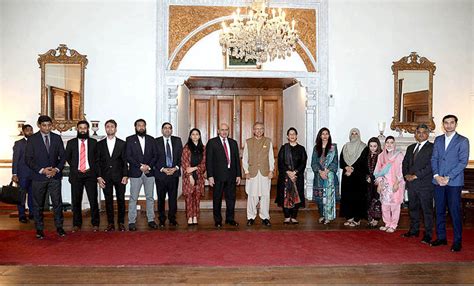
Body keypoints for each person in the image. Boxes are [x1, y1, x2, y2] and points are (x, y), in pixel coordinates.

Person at [430, 115, 469, 252]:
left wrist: (448, 177)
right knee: (439, 210)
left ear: (456, 124)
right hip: (438, 181)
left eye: (452, 123)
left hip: (454, 182)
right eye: (446, 123)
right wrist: (436, 176)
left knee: (454, 212)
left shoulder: (463, 141)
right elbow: (434, 158)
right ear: (443, 125)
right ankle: (441, 238)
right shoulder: (438, 139)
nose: (449, 125)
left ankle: (457, 241)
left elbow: (463, 162)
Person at [25, 115, 66, 239]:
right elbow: (28, 159)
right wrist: (42, 170)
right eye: (44, 125)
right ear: (39, 125)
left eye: (49, 125)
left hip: (54, 176)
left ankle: (59, 227)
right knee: (38, 204)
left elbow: (63, 157)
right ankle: (39, 229)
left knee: (57, 203)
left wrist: (56, 169)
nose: (47, 128)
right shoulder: (32, 139)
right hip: (38, 177)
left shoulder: (57, 138)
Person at [401, 124, 434, 244]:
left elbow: (431, 166)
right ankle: (414, 230)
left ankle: (428, 235)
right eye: (418, 132)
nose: (420, 134)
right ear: (415, 134)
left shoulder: (432, 147)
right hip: (412, 185)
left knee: (427, 211)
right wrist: (406, 175)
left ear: (428, 134)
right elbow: (404, 164)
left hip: (425, 184)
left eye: (423, 132)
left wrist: (416, 175)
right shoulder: (410, 148)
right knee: (412, 209)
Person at [65, 120, 100, 232]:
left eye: (85, 128)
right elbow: (68, 158)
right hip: (76, 175)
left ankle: (95, 223)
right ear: (77, 129)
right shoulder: (71, 143)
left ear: (88, 129)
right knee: (76, 201)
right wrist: (77, 168)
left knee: (93, 200)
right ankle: (76, 224)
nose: (83, 130)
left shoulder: (94, 142)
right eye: (81, 127)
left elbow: (97, 159)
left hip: (90, 175)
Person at [206, 123, 241, 228]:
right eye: (222, 130)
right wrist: (210, 176)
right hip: (217, 176)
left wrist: (238, 175)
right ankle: (217, 220)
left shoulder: (233, 143)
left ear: (229, 131)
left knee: (231, 198)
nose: (224, 132)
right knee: (217, 199)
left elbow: (236, 160)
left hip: (231, 175)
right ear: (218, 131)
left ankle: (230, 219)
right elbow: (209, 160)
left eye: (226, 130)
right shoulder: (212, 143)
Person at [126, 119, 158, 231]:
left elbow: (155, 155)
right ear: (135, 127)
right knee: (133, 198)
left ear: (145, 127)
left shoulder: (151, 139)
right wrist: (140, 166)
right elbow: (128, 156)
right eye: (139, 125)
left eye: (143, 125)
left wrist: (148, 166)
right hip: (135, 172)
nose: (141, 127)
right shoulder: (130, 140)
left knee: (150, 197)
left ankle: (151, 220)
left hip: (149, 173)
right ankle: (131, 221)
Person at [97, 119, 128, 232]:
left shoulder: (122, 143)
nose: (110, 128)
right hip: (105, 177)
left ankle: (121, 223)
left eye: (112, 126)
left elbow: (125, 161)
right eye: (108, 126)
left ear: (115, 128)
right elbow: (97, 162)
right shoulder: (99, 144)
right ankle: (110, 223)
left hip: (119, 176)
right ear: (105, 128)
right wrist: (99, 177)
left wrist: (125, 175)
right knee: (108, 200)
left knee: (121, 200)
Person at [242, 122, 274, 227]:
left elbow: (271, 157)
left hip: (265, 173)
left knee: (265, 196)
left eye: (261, 129)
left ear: (263, 130)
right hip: (252, 173)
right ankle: (251, 217)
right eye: (256, 129)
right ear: (253, 130)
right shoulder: (248, 142)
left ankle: (265, 217)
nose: (259, 131)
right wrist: (246, 171)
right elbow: (245, 158)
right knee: (252, 196)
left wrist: (271, 170)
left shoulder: (268, 141)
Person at [374, 136, 405, 233]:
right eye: (387, 142)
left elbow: (401, 170)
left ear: (394, 144)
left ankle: (393, 224)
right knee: (385, 206)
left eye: (391, 142)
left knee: (395, 206)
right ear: (385, 144)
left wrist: (397, 183)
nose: (389, 144)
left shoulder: (399, 155)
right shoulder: (381, 156)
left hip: (395, 183)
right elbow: (377, 171)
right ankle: (387, 223)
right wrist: (379, 183)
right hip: (385, 184)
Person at [276, 127, 307, 224]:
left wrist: (295, 172)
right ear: (287, 136)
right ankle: (286, 216)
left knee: (296, 195)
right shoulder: (284, 148)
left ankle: (294, 216)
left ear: (296, 136)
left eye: (294, 134)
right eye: (290, 134)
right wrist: (288, 172)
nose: (292, 136)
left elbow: (303, 163)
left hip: (297, 176)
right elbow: (280, 162)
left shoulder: (301, 149)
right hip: (285, 176)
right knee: (285, 195)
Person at [155, 122, 183, 227]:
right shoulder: (156, 141)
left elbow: (181, 157)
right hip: (161, 174)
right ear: (162, 130)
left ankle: (172, 218)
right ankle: (161, 219)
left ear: (172, 130)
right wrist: (163, 169)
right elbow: (154, 158)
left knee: (173, 198)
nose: (167, 130)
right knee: (161, 198)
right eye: (165, 128)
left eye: (169, 128)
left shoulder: (177, 140)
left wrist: (175, 168)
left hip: (173, 175)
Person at [339, 128, 368, 227]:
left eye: (356, 133)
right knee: (347, 197)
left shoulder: (364, 147)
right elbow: (341, 160)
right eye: (352, 133)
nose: (354, 135)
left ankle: (357, 219)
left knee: (357, 197)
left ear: (359, 135)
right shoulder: (345, 146)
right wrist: (346, 167)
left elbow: (363, 161)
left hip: (358, 176)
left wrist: (352, 169)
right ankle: (349, 217)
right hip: (347, 177)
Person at [311, 127, 338, 225]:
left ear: (329, 135)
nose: (325, 136)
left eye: (327, 134)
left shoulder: (333, 147)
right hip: (319, 176)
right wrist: (320, 172)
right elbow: (313, 162)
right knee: (320, 198)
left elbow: (335, 162)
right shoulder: (316, 148)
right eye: (323, 134)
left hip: (329, 176)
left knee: (328, 196)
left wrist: (327, 171)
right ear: (320, 136)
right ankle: (322, 215)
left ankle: (328, 216)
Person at [181, 128, 206, 226]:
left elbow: (204, 164)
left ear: (199, 136)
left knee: (197, 197)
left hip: (199, 177)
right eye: (193, 134)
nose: (195, 136)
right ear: (190, 136)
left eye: (197, 134)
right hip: (188, 178)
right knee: (189, 197)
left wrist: (195, 168)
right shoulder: (186, 148)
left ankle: (195, 216)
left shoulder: (203, 148)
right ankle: (189, 217)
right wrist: (190, 175)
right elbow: (185, 165)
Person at [12, 124, 34, 223]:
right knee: (21, 196)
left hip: (34, 174)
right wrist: (14, 173)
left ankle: (32, 213)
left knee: (32, 195)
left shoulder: (36, 142)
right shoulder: (19, 143)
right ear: (23, 131)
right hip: (22, 174)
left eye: (31, 130)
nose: (29, 132)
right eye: (27, 130)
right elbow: (15, 159)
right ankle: (22, 215)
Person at [366, 137, 383, 227]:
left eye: (375, 146)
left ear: (378, 146)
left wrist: (373, 177)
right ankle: (370, 218)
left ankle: (376, 219)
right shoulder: (368, 155)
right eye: (371, 146)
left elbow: (381, 170)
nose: (373, 148)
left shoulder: (381, 156)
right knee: (369, 199)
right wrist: (367, 177)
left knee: (376, 199)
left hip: (377, 181)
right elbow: (365, 168)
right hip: (369, 182)